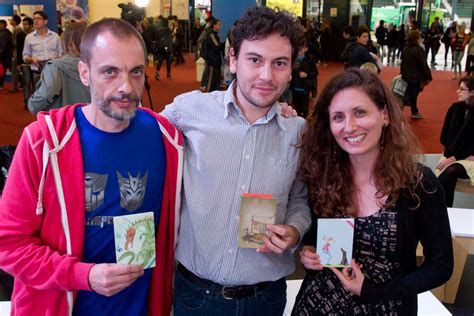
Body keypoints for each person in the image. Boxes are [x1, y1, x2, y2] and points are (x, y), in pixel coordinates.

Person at [0, 18, 182, 316]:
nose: (126, 87)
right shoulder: (44, 142)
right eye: (109, 71)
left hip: (142, 306)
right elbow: (8, 244)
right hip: (62, 305)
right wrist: (82, 275)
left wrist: (277, 109)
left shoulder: (166, 138)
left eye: (136, 71)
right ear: (84, 73)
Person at [161, 7, 311, 315]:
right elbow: (136, 141)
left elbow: (299, 198)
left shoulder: (298, 132)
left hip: (265, 298)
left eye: (279, 63)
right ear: (233, 60)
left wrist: (295, 229)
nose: (266, 75)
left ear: (291, 68)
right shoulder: (189, 111)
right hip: (197, 295)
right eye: (255, 60)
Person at [292, 68, 453, 315]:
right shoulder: (324, 176)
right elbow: (318, 239)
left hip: (385, 307)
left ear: (385, 115)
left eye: (359, 112)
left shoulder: (417, 183)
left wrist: (376, 291)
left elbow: (441, 266)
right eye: (338, 117)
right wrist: (309, 253)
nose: (349, 127)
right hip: (317, 305)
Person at [27, 22, 91, 114]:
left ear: (66, 42)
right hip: (93, 122)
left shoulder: (55, 67)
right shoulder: (99, 65)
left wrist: (32, 105)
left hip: (62, 121)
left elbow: (45, 95)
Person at [437, 76, 474, 207]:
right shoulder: (454, 108)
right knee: (449, 173)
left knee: (451, 170)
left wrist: (454, 158)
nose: (457, 91)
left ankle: (429, 197)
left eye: (462, 89)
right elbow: (444, 137)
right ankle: (445, 210)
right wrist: (450, 155)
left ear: (472, 92)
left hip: (470, 158)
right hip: (453, 154)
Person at [22, 11, 63, 103]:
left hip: (53, 67)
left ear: (45, 21)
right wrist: (31, 59)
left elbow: (61, 54)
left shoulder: (55, 36)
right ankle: (40, 114)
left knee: (54, 93)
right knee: (39, 94)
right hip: (37, 69)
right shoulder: (29, 37)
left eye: (39, 18)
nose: (36, 21)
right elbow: (25, 55)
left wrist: (57, 59)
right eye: (34, 19)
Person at [401, 30, 432, 119]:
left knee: (408, 94)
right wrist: (428, 77)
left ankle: (412, 110)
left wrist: (402, 73)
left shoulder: (405, 49)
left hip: (406, 76)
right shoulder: (419, 50)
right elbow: (423, 65)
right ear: (417, 39)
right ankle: (413, 111)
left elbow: (403, 63)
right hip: (416, 77)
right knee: (412, 95)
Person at [290, 41, 318, 118]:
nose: (300, 50)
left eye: (302, 48)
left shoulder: (310, 60)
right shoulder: (293, 58)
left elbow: (315, 72)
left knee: (304, 107)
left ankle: (304, 121)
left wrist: (307, 75)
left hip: (305, 87)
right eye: (298, 48)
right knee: (295, 106)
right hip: (295, 86)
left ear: (306, 49)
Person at [202, 18, 222, 92]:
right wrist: (222, 45)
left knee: (216, 82)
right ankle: (207, 99)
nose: (220, 26)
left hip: (215, 60)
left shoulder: (214, 35)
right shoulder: (211, 35)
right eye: (219, 24)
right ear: (214, 25)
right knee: (211, 83)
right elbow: (217, 47)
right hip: (212, 61)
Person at [8, 15, 22, 92]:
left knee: (14, 70)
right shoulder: (16, 29)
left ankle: (15, 87)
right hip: (15, 52)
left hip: (16, 52)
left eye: (12, 19)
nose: (10, 20)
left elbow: (16, 42)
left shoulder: (17, 29)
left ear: (15, 21)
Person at [0, 19, 13, 90]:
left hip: (4, 56)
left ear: (2, 25)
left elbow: (2, 45)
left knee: (3, 70)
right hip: (7, 55)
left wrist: (0, 54)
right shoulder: (7, 32)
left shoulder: (3, 34)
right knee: (8, 70)